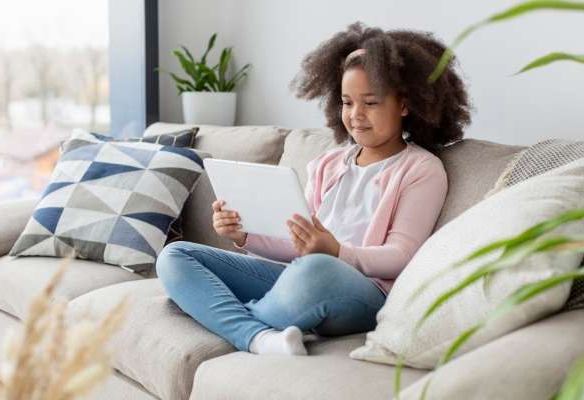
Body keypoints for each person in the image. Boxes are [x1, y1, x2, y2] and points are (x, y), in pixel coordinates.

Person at [156, 21, 471, 356]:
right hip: (300, 275)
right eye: (348, 103)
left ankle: (222, 312)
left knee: (316, 268)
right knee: (175, 256)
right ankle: (261, 338)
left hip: (362, 292)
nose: (356, 115)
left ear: (405, 105)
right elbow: (296, 243)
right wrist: (242, 236)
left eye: (371, 102)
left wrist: (336, 252)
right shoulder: (328, 163)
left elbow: (401, 257)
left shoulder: (421, 169)